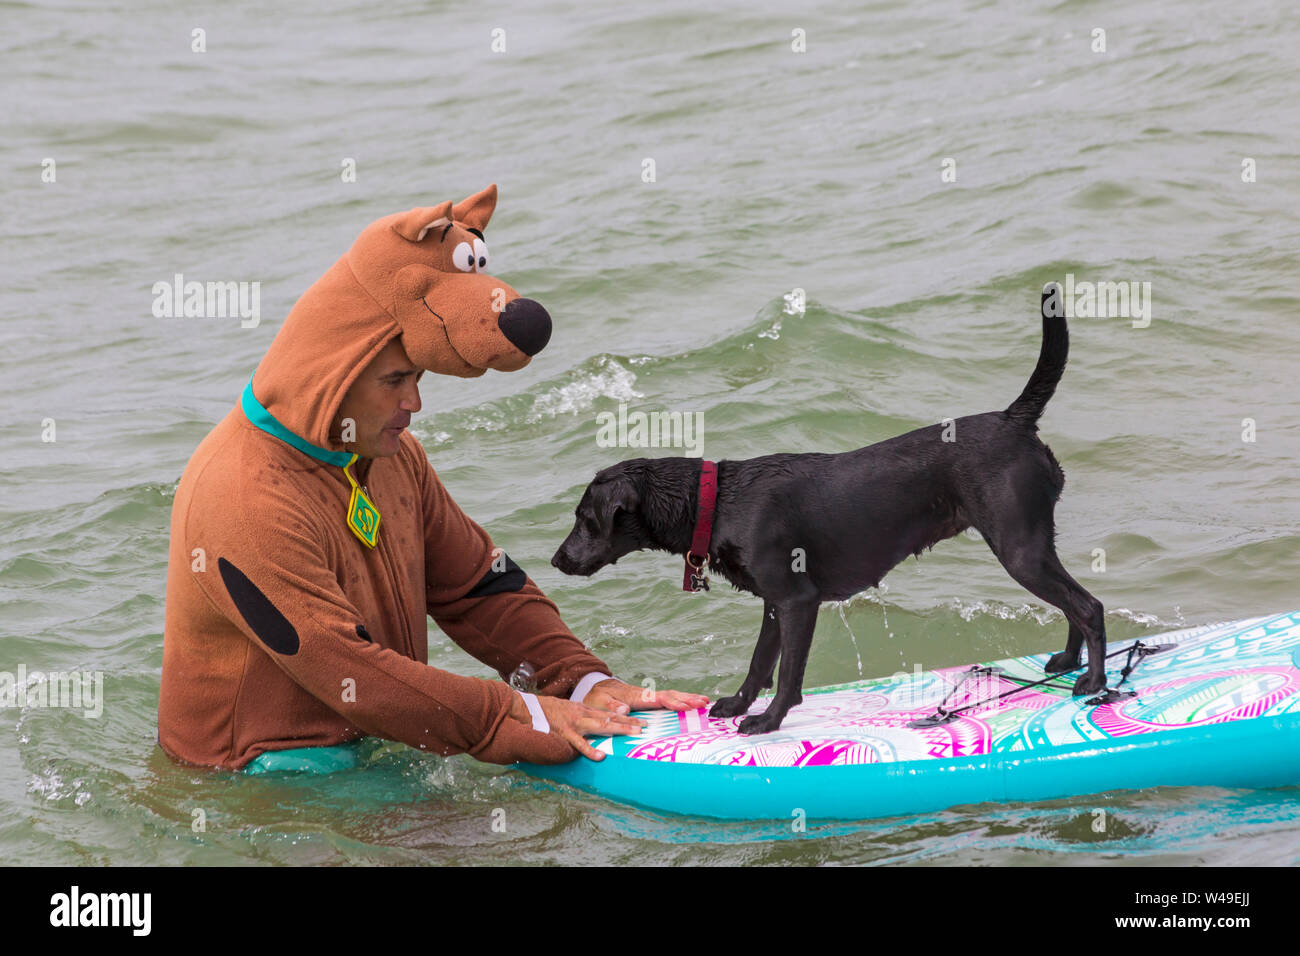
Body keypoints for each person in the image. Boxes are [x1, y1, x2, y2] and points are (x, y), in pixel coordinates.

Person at [158, 185, 707, 771]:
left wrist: (577, 681)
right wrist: (515, 716)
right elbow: (352, 673)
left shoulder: (391, 457)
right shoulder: (242, 497)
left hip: (372, 747)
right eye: (394, 381)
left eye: (417, 376)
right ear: (332, 378)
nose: (415, 401)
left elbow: (478, 587)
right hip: (257, 784)